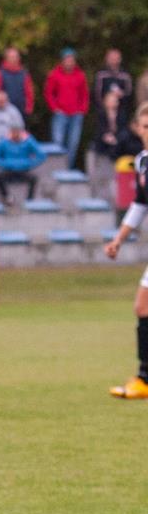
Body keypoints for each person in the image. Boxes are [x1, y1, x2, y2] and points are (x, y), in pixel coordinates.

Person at [103, 104, 148, 399]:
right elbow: (140, 204)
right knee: (142, 308)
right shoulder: (142, 161)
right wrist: (118, 239)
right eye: (145, 127)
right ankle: (144, 379)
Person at [44, 48, 89, 168]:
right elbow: (49, 93)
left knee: (73, 144)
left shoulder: (80, 75)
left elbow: (84, 94)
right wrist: (54, 108)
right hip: (60, 114)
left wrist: (82, 110)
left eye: (71, 60)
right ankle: (56, 168)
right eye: (67, 60)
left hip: (76, 114)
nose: (69, 62)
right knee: (58, 143)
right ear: (62, 61)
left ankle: (68, 169)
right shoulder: (54, 74)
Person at [0, 126, 44, 203]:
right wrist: (4, 163)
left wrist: (30, 163)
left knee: (34, 178)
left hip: (24, 170)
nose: (15, 135)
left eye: (17, 133)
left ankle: (29, 200)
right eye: (13, 133)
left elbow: (41, 155)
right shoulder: (4, 142)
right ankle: (7, 196)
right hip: (8, 170)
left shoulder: (28, 141)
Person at [0, 47, 35, 119]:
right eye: (11, 57)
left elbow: (29, 92)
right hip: (3, 110)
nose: (14, 59)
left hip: (21, 110)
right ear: (6, 58)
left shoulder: (24, 74)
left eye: (16, 57)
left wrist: (29, 107)